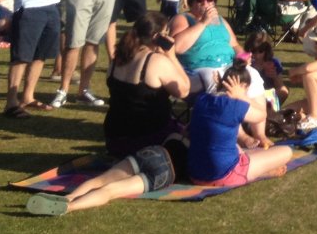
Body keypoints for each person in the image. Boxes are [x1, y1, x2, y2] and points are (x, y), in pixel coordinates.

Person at [187, 61, 301, 187]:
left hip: (195, 173)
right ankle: (257, 173)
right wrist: (242, 97)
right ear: (244, 87)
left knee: (238, 147)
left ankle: (254, 170)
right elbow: (262, 115)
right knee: (286, 152)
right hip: (223, 175)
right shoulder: (235, 106)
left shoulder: (202, 99)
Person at [103, 11, 190, 156]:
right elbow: (184, 90)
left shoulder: (117, 58)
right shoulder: (155, 61)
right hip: (148, 139)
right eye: (166, 32)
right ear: (157, 37)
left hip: (114, 138)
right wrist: (172, 56)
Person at [25, 143, 185, 216]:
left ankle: (68, 197)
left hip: (156, 151)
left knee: (98, 181)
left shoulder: (188, 132)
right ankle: (70, 207)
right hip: (166, 174)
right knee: (109, 192)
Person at [167, 0, 240, 92]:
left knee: (253, 75)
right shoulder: (183, 18)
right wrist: (203, 22)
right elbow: (177, 47)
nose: (205, 3)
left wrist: (244, 56)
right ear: (192, 1)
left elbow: (234, 45)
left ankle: (264, 109)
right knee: (215, 81)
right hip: (201, 68)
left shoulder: (220, 20)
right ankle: (220, 107)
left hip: (228, 65)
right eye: (200, 0)